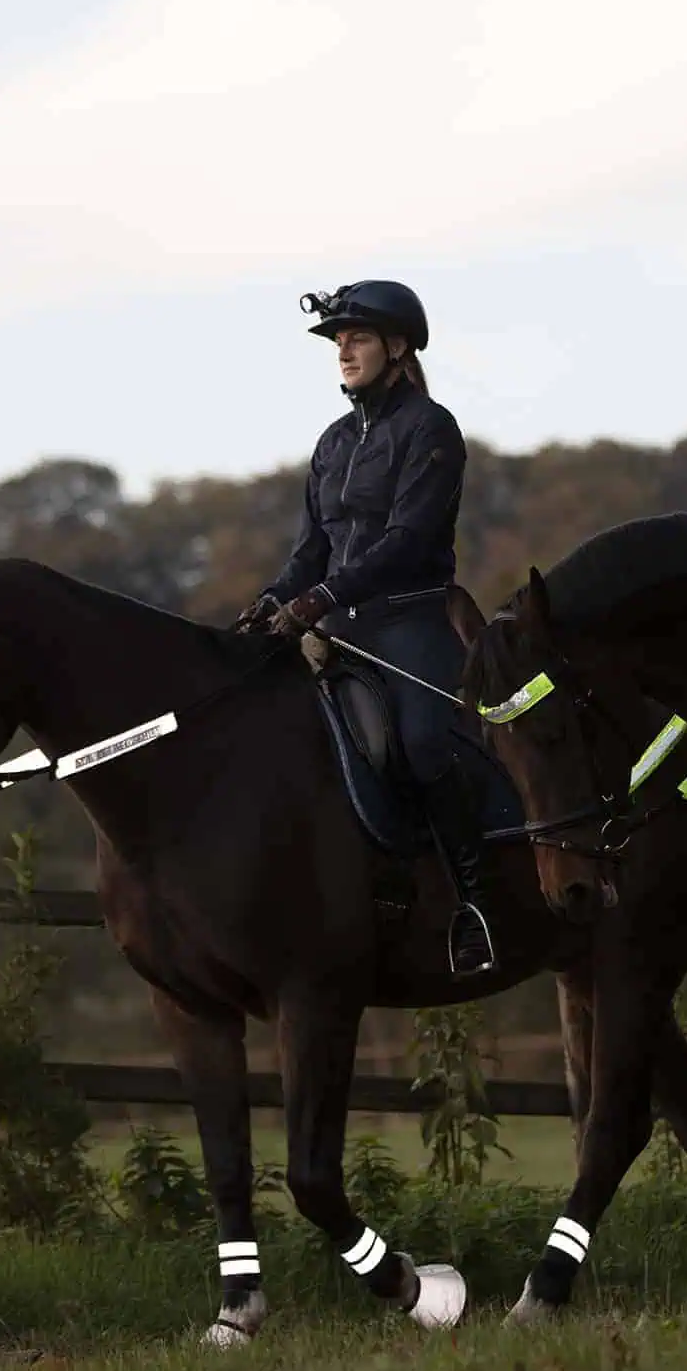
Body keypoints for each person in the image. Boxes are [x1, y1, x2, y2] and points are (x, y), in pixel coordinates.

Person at [236, 281, 495, 973]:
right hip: (337, 625)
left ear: (398, 346)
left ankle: (475, 904)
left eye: (358, 340)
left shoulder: (431, 429)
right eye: (339, 343)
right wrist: (270, 602)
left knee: (419, 745)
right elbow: (308, 552)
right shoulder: (333, 441)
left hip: (409, 619)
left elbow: (408, 539)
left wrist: (319, 599)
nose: (344, 352)